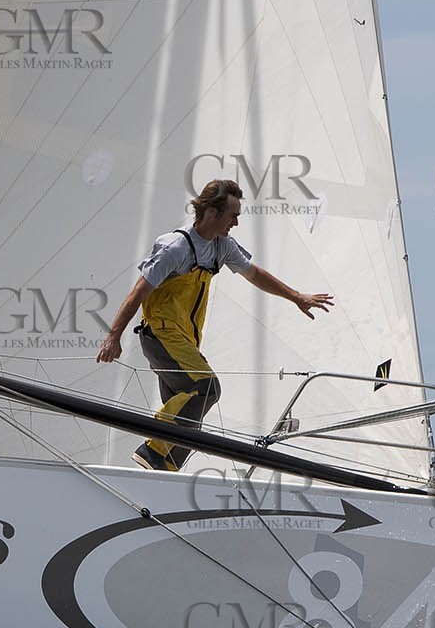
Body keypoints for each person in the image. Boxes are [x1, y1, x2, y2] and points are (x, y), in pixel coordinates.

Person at [95, 179, 334, 471]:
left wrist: (296, 297)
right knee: (207, 388)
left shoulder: (223, 247)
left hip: (185, 341)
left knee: (188, 418)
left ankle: (164, 468)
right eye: (232, 214)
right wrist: (113, 336)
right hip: (161, 336)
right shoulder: (175, 248)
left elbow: (255, 274)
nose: (236, 221)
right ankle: (153, 449)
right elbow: (137, 293)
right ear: (210, 212)